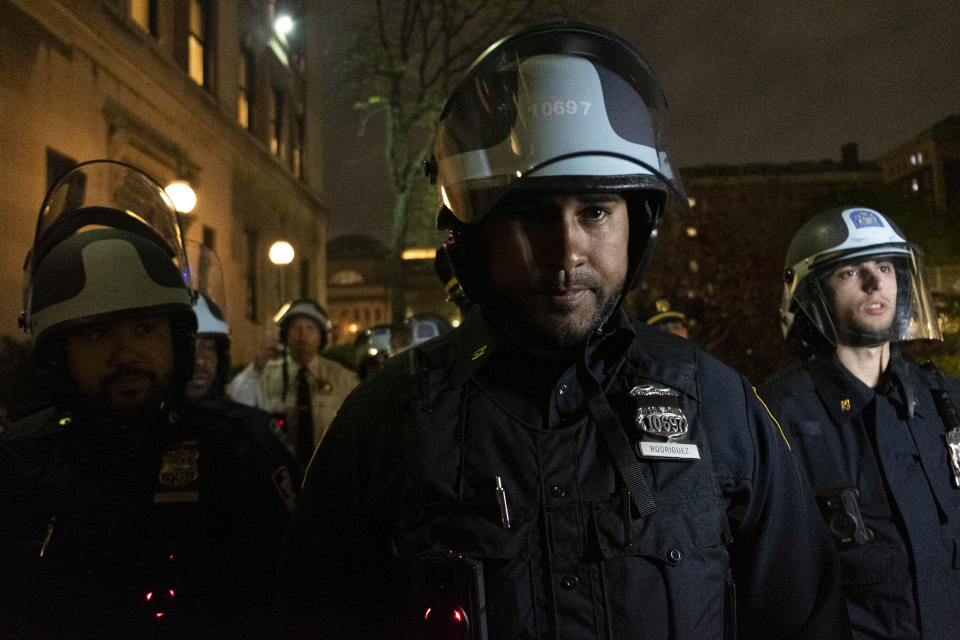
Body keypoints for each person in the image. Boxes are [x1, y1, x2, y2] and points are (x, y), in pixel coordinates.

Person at [275, 23, 847, 639]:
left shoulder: (721, 408)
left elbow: (804, 616)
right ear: (475, 235)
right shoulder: (385, 423)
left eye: (595, 211)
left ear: (639, 224)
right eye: (529, 214)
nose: (565, 250)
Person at [0, 160, 294, 638]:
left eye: (145, 328)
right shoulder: (18, 466)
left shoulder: (238, 454)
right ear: (57, 355)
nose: (126, 354)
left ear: (177, 338)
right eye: (97, 334)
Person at [759, 206, 960, 639]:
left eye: (885, 266)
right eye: (849, 272)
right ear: (811, 296)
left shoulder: (949, 402)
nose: (874, 282)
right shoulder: (776, 416)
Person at [229, 299, 358, 465]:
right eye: (296, 327)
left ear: (322, 336)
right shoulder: (267, 373)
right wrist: (256, 368)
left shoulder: (341, 377)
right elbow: (237, 397)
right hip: (278, 471)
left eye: (310, 328)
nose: (303, 334)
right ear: (285, 335)